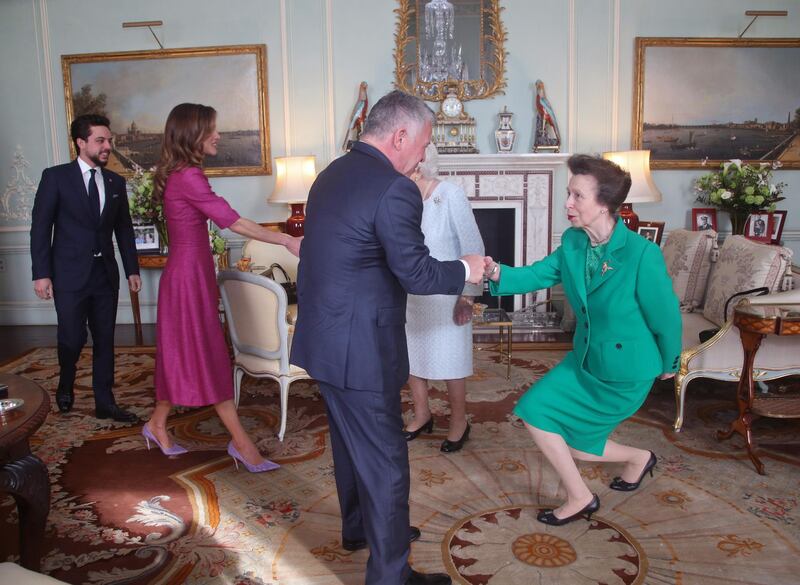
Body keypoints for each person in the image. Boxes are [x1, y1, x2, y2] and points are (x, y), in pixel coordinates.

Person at [291, 91, 485, 585]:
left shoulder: (331, 174)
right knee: (387, 465)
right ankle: (391, 576)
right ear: (399, 136)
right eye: (422, 144)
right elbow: (417, 273)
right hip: (360, 351)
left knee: (349, 447)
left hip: (324, 341)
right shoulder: (393, 188)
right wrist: (468, 267)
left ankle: (360, 530)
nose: (422, 155)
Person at [485, 154, 681, 526]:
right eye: (568, 194)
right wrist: (495, 270)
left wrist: (673, 362)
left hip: (625, 371)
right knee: (535, 410)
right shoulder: (574, 242)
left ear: (605, 203)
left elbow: (666, 317)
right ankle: (584, 494)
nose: (567, 204)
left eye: (577, 196)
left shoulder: (642, 254)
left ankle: (634, 461)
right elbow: (535, 275)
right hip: (585, 359)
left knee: (580, 446)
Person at [141, 103, 302, 471]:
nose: (218, 135)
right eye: (211, 129)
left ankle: (156, 425)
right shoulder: (188, 177)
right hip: (186, 280)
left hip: (188, 276)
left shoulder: (184, 173)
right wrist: (286, 242)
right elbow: (233, 223)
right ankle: (243, 445)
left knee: (186, 353)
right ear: (192, 134)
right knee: (210, 356)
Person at [31, 114, 142, 422]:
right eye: (100, 141)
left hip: (104, 275)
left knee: (105, 338)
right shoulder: (55, 178)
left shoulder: (115, 181)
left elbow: (124, 230)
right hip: (68, 275)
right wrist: (41, 274)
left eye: (109, 140)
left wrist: (131, 269)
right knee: (71, 337)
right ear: (81, 143)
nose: (108, 146)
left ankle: (105, 402)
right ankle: (66, 381)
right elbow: (41, 228)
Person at [404, 143, 485, 452]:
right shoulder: (402, 199)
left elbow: (473, 246)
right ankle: (423, 415)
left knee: (452, 361)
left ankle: (458, 422)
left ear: (420, 161)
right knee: (412, 358)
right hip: (411, 295)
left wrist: (468, 296)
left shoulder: (450, 194)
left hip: (449, 295)